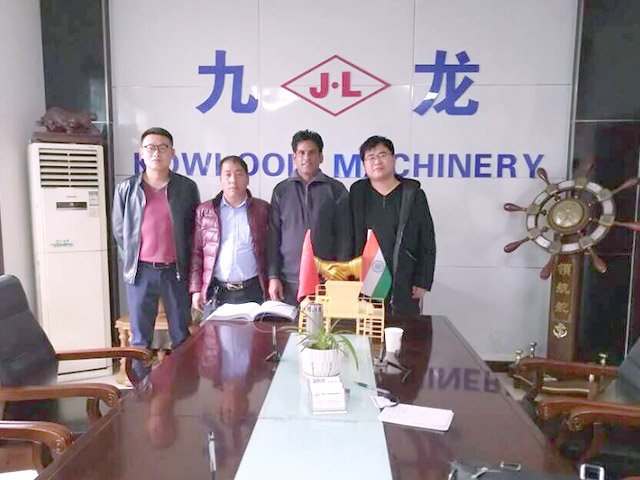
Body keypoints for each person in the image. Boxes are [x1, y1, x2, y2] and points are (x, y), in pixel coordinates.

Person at [112, 127, 200, 378]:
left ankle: (184, 387)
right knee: (141, 338)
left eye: (163, 147)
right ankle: (142, 389)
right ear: (141, 153)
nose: (156, 153)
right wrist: (134, 257)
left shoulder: (186, 187)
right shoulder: (126, 189)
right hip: (141, 272)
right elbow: (119, 229)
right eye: (150, 147)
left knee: (181, 334)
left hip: (175, 271)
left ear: (172, 153)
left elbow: (193, 229)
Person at [350, 135, 436, 315]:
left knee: (404, 329)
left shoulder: (413, 194)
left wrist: (423, 281)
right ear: (364, 164)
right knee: (367, 328)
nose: (377, 161)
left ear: (393, 159)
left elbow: (427, 240)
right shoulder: (357, 193)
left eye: (382, 155)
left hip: (404, 279)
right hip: (365, 280)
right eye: (371, 157)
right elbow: (349, 237)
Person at [267, 130, 352, 305]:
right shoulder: (281, 190)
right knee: (288, 324)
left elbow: (345, 237)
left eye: (312, 153)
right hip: (288, 282)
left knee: (323, 324)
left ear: (321, 157)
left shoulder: (336, 190)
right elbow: (273, 237)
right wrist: (273, 276)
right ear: (294, 157)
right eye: (302, 153)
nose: (306, 158)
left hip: (325, 281)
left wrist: (338, 277)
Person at [189, 155, 270, 314]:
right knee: (213, 332)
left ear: (247, 179)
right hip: (217, 292)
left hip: (253, 291)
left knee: (254, 331)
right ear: (220, 180)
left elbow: (271, 250)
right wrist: (196, 289)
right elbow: (197, 253)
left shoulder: (263, 209)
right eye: (227, 175)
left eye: (239, 174)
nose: (233, 180)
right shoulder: (205, 211)